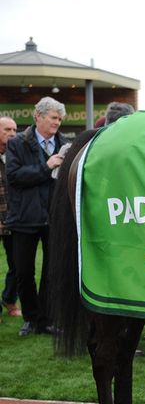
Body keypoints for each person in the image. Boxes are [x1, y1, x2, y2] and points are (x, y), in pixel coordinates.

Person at [6, 97, 67, 336]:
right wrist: (47, 166)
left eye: (60, 119)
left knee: (52, 272)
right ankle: (30, 318)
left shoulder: (65, 144)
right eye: (53, 118)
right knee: (23, 271)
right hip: (24, 218)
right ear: (38, 116)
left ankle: (47, 319)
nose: (57, 123)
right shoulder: (18, 143)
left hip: (54, 218)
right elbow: (14, 176)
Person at [0, 116, 19, 319]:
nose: (12, 134)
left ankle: (9, 299)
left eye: (14, 130)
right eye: (7, 130)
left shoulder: (15, 155)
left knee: (17, 266)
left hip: (13, 220)